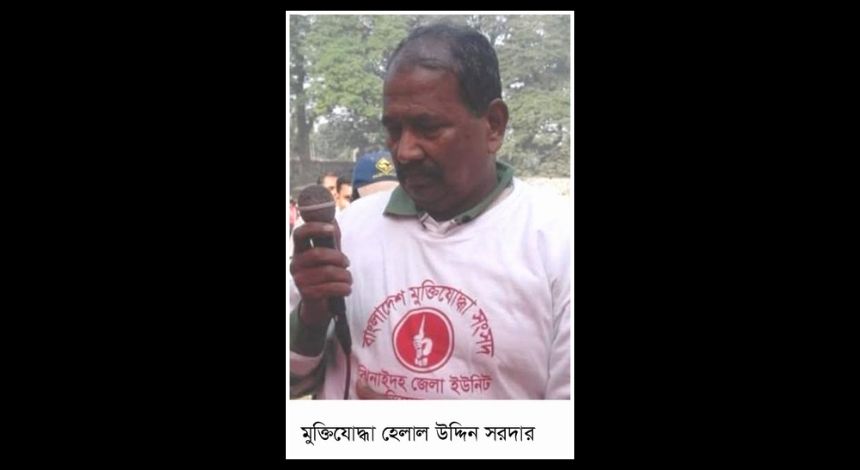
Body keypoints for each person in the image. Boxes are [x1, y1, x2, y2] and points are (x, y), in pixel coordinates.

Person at [290, 23, 570, 400]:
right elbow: (295, 380)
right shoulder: (347, 233)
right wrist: (311, 316)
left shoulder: (557, 243)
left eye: (428, 127)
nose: (404, 151)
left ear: (493, 125)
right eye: (394, 129)